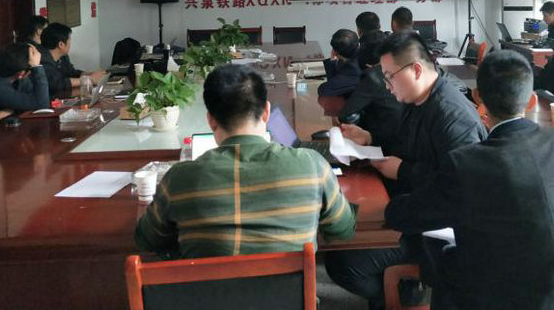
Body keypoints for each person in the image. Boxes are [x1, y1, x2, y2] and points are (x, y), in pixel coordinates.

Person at [385, 51, 554, 310]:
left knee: (446, 261)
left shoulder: (466, 163)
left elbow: (407, 215)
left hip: (506, 298)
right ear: (531, 101)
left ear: (478, 98)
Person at [325, 32, 486, 308]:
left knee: (346, 262)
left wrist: (403, 172)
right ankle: (397, 290)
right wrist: (371, 138)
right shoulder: (419, 99)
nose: (386, 86)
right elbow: (407, 144)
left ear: (416, 70)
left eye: (389, 77)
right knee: (346, 237)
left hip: (440, 228)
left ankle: (400, 295)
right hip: (414, 203)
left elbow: (460, 188)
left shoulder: (452, 116)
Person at [135, 64, 356, 258]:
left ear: (211, 120)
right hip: (289, 291)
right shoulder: (312, 165)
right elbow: (343, 230)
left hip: (206, 290)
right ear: (266, 112)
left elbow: (147, 240)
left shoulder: (179, 179)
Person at [338, 30, 404, 148]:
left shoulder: (372, 76)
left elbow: (346, 115)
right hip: (408, 139)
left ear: (368, 66)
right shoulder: (400, 68)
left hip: (386, 143)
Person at [39, 22, 105, 97]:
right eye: (69, 40)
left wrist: (90, 74)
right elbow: (58, 84)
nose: (70, 43)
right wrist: (90, 79)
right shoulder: (42, 60)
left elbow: (71, 72)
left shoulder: (63, 56)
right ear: (61, 44)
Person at [319, 28, 362, 98]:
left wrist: (332, 63)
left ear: (335, 51)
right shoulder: (368, 59)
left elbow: (324, 89)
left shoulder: (351, 71)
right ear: (358, 45)